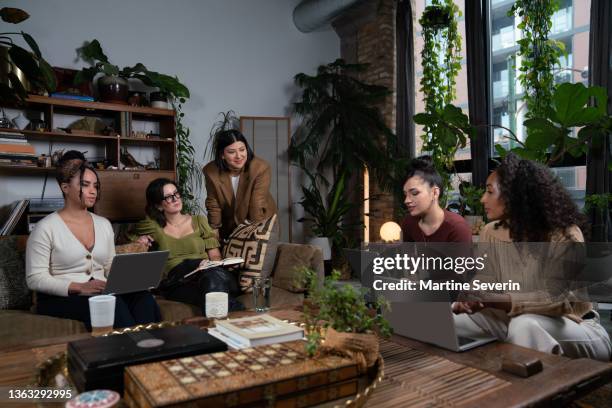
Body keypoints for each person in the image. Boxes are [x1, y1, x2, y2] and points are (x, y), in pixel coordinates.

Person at [452, 153, 611, 361]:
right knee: (451, 317)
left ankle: (538, 390)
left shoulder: (566, 235)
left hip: (578, 327)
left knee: (524, 325)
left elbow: (558, 301)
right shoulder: (490, 232)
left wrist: (500, 300)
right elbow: (485, 280)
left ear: (515, 196)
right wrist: (471, 297)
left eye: (490, 192)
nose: (483, 198)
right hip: (515, 319)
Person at [26, 151, 161, 330]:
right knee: (111, 305)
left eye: (95, 186)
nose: (93, 191)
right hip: (61, 298)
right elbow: (35, 279)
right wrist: (79, 287)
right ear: (65, 187)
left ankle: (155, 353)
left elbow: (108, 265)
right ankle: (130, 355)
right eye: (85, 185)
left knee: (143, 299)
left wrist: (131, 280)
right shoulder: (45, 228)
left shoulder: (103, 224)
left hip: (102, 290)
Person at [133, 178, 243, 314]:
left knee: (210, 281)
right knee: (209, 290)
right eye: (168, 197)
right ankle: (240, 313)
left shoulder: (199, 221)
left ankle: (219, 326)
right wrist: (140, 242)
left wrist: (208, 265)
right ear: (158, 205)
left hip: (208, 274)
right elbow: (128, 246)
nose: (175, 199)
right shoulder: (152, 227)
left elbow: (215, 255)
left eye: (176, 194)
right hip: (177, 283)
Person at [203, 129, 277, 242]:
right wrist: (214, 229)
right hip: (230, 227)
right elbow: (213, 202)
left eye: (242, 150)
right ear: (222, 154)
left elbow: (256, 203)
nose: (239, 156)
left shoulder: (260, 168)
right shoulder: (211, 171)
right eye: (232, 152)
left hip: (260, 221)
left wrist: (256, 235)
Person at [401, 156, 471, 243]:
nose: (406, 200)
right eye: (405, 194)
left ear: (435, 193)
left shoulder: (457, 227)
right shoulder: (408, 223)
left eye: (414, 193)